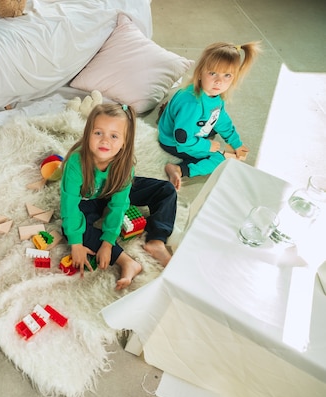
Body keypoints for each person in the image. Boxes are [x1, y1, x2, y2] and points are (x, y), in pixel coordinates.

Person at [60, 104, 177, 291]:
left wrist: (108, 241)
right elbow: (69, 205)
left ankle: (157, 240)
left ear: (124, 142)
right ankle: (126, 261)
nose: (105, 141)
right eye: (98, 133)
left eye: (114, 136)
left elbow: (119, 205)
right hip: (89, 199)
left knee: (166, 189)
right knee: (71, 228)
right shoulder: (76, 163)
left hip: (112, 190)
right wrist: (76, 244)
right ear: (88, 133)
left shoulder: (124, 166)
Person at [158, 41, 262, 190]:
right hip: (174, 141)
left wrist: (236, 143)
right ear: (200, 72)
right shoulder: (192, 104)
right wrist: (208, 146)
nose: (219, 81)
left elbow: (221, 119)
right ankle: (179, 170)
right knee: (219, 159)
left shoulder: (213, 94)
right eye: (213, 73)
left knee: (214, 125)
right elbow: (182, 139)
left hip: (187, 127)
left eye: (227, 75)